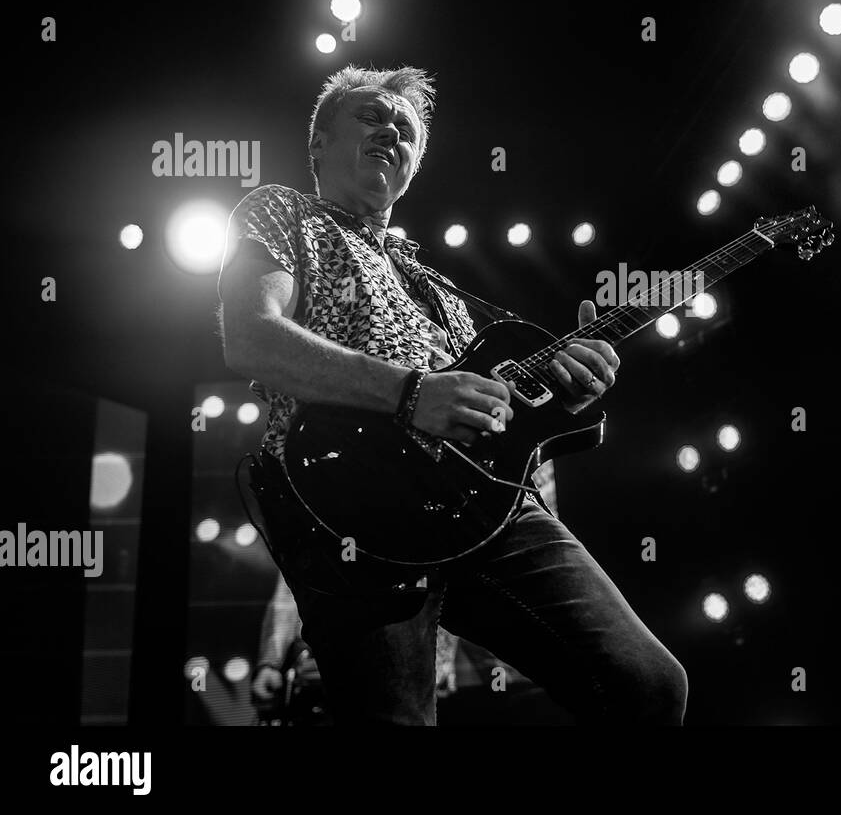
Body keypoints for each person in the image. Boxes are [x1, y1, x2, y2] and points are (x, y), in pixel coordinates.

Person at [218, 65, 687, 725]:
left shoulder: (439, 289)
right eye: (371, 117)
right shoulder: (281, 212)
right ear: (318, 143)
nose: (391, 130)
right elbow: (251, 338)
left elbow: (500, 417)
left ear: (413, 165)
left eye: (404, 128)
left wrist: (562, 397)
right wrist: (412, 393)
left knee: (650, 684)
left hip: (483, 510)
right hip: (348, 511)